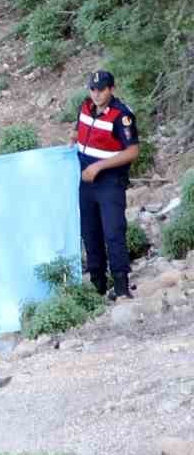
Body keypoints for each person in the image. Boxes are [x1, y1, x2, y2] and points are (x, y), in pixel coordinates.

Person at [72, 69, 141, 300]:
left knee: (113, 232)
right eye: (92, 88)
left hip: (109, 181)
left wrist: (100, 167)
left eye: (101, 89)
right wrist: (73, 137)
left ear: (111, 89)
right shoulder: (85, 106)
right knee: (90, 233)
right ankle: (98, 287)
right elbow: (80, 129)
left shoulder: (122, 115)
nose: (96, 94)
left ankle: (122, 288)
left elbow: (132, 151)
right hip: (85, 181)